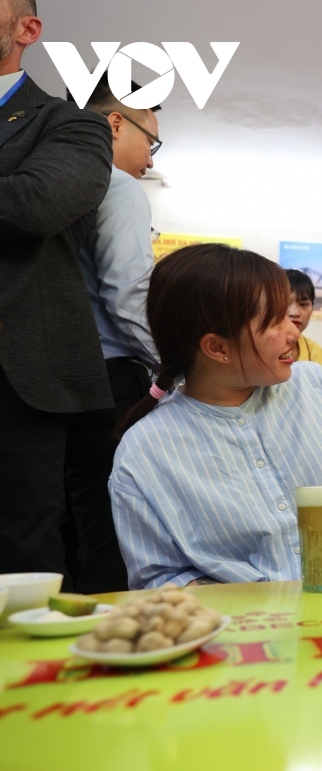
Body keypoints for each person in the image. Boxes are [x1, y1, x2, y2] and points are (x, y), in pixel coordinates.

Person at [110, 244, 322, 589]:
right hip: (248, 633)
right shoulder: (144, 453)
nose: (294, 333)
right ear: (217, 348)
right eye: (275, 321)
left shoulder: (321, 389)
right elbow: (162, 578)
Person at [0, 0, 115, 580]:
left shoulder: (71, 124)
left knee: (22, 553)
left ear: (27, 29)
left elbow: (30, 207)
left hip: (17, 379)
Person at [58, 75, 162, 594]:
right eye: (151, 140)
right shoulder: (116, 185)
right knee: (110, 526)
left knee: (64, 523)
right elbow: (128, 293)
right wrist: (175, 364)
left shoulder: (48, 183)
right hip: (111, 379)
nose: (151, 159)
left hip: (53, 374)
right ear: (116, 123)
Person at [285, 269, 322, 366]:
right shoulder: (258, 351)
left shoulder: (316, 355)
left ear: (312, 308)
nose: (294, 313)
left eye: (303, 304)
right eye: (285, 304)